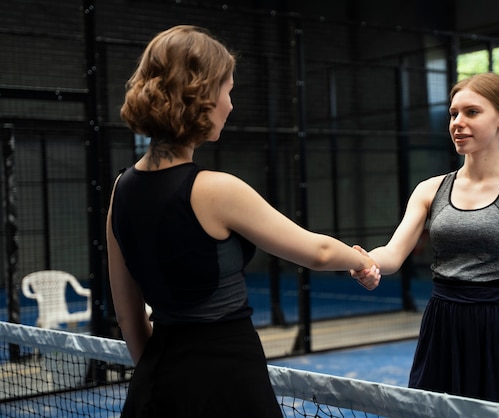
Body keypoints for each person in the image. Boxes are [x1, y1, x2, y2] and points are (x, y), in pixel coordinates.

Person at [106, 25, 380, 418]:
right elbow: (317, 252)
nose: (230, 105)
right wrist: (362, 261)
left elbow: (128, 316)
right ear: (199, 95)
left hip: (155, 379)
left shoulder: (120, 189)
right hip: (229, 378)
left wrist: (161, 373)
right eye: (227, 90)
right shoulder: (216, 190)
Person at [351, 72, 499, 411]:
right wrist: (366, 262)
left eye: (471, 112)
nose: (458, 123)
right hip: (441, 331)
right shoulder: (429, 189)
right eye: (453, 113)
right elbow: (391, 253)